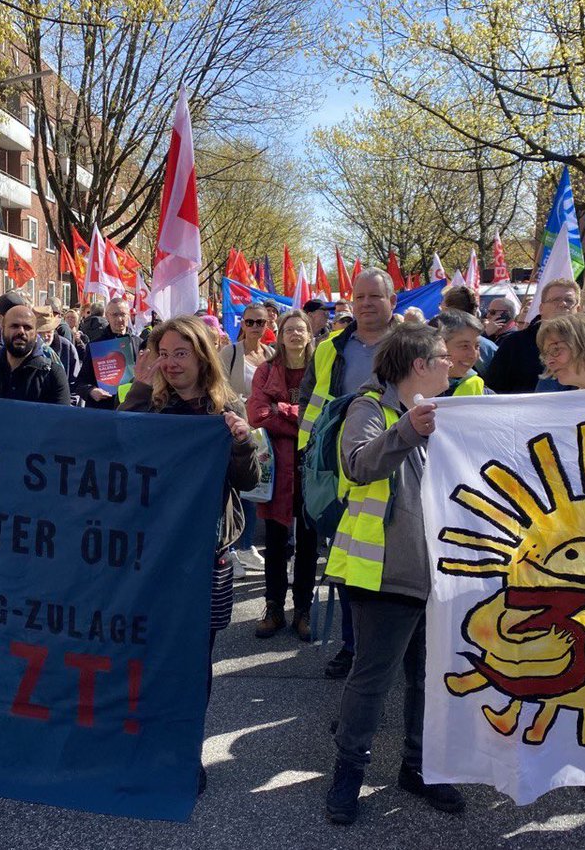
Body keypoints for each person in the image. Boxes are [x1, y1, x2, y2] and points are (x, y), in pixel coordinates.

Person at [324, 322, 463, 824]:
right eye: (443, 357)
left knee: (428, 679)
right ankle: (348, 773)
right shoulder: (369, 409)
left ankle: (419, 768)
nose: (452, 363)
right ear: (419, 365)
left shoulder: (448, 413)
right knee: (371, 681)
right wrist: (408, 430)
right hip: (381, 573)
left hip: (438, 574)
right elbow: (359, 465)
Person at [119, 315, 259, 794]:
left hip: (205, 556)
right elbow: (119, 447)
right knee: (150, 656)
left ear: (201, 356)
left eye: (181, 353)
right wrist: (137, 389)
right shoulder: (153, 406)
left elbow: (248, 482)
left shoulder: (224, 408)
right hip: (154, 553)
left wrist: (242, 445)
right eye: (164, 353)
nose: (171, 363)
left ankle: (186, 751)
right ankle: (149, 746)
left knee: (193, 661)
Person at [299, 268, 397, 680]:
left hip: (398, 462)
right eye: (359, 297)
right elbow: (312, 401)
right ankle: (351, 646)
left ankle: (390, 650)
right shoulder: (330, 347)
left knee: (392, 561)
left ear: (392, 300)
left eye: (375, 296)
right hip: (343, 468)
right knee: (348, 558)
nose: (366, 304)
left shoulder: (412, 343)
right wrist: (310, 459)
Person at [247, 310, 318, 640]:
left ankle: (303, 608)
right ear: (281, 334)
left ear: (308, 334)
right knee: (276, 544)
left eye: (300, 329)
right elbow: (258, 414)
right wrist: (297, 419)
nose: (295, 334)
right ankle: (273, 606)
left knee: (308, 543)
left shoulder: (321, 371)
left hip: (311, 466)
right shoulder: (266, 370)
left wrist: (283, 411)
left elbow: (319, 416)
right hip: (276, 469)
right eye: (289, 329)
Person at [484, 278, 579, 393]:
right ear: (541, 308)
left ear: (578, 309)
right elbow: (493, 389)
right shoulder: (515, 344)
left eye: (569, 300)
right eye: (556, 300)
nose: (563, 304)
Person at [0, 301, 71, 405]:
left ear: (35, 334)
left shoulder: (52, 375)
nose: (21, 331)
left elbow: (61, 419)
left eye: (27, 327)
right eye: (14, 326)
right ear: (3, 330)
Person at [79, 298, 135, 409]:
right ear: (107, 316)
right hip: (104, 410)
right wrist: (91, 391)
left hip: (131, 409)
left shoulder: (138, 344)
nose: (119, 319)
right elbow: (81, 382)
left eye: (123, 314)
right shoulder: (96, 346)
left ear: (128, 315)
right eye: (114, 315)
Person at [431, 310, 487, 395]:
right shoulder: (408, 389)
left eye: (477, 346)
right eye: (464, 346)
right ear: (436, 346)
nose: (474, 355)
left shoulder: (483, 393)